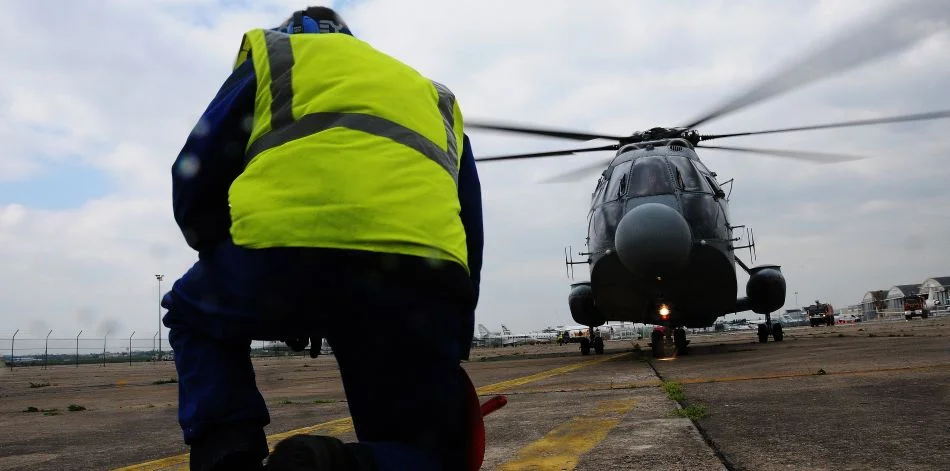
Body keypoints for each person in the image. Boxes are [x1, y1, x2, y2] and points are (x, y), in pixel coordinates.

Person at [161, 6, 484, 471]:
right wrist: (452, 331)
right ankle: (335, 466)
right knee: (425, 447)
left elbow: (194, 175)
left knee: (192, 314)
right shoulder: (435, 96)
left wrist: (224, 253)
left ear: (295, 31)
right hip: (424, 276)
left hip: (284, 255)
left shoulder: (278, 56)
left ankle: (227, 453)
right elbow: (468, 223)